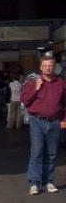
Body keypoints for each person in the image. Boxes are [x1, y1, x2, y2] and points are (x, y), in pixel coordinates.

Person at [20, 56, 66, 195]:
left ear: (54, 67)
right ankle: (35, 183)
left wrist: (64, 119)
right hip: (37, 121)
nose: (48, 67)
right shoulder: (33, 81)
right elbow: (25, 100)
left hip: (55, 122)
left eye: (50, 65)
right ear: (40, 67)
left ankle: (48, 182)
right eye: (45, 65)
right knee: (37, 152)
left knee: (51, 154)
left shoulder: (60, 83)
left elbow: (65, 103)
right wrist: (37, 87)